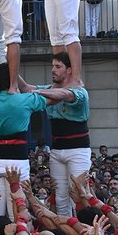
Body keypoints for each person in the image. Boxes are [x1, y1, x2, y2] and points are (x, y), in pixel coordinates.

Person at [0, 62, 66, 217]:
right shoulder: (26, 99)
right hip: (17, 161)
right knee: (18, 210)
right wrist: (34, 91)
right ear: (14, 80)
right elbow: (56, 97)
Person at [38, 52, 91, 218]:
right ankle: (66, 232)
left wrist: (36, 92)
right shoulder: (49, 89)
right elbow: (25, 89)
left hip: (77, 151)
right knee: (60, 197)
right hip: (56, 151)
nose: (53, 70)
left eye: (58, 67)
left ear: (69, 70)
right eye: (53, 66)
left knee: (79, 193)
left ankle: (87, 231)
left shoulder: (80, 92)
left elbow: (64, 95)